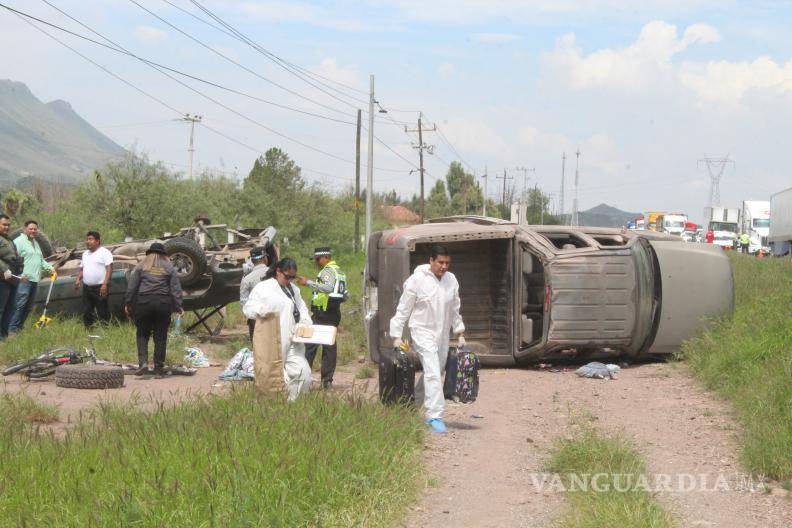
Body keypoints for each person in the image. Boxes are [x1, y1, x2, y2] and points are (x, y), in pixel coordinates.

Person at [389, 245, 465, 434]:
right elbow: (403, 308)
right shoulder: (417, 281)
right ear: (431, 261)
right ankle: (435, 416)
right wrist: (396, 336)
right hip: (421, 331)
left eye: (447, 263)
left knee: (435, 371)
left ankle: (411, 406)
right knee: (431, 371)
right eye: (440, 262)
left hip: (442, 334)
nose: (444, 266)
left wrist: (460, 331)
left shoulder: (451, 280)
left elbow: (455, 308)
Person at [243, 258, 313, 401]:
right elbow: (248, 308)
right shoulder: (264, 288)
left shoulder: (294, 289)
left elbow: (302, 309)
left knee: (303, 374)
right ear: (278, 271)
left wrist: (305, 322)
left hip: (294, 342)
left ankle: (294, 406)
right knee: (275, 378)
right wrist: (261, 310)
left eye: (292, 277)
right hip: (273, 341)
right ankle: (273, 407)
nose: (289, 280)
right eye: (287, 276)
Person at [124, 243, 184, 376]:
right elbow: (175, 289)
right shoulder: (169, 267)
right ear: (163, 254)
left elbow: (132, 287)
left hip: (144, 303)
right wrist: (178, 306)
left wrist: (128, 304)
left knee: (142, 334)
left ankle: (143, 364)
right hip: (163, 303)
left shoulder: (141, 266)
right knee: (160, 336)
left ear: (149, 253)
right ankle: (158, 368)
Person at [298, 247, 347, 389]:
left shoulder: (328, 271)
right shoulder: (339, 271)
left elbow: (328, 288)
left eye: (318, 259)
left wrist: (308, 282)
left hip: (323, 313)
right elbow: (345, 294)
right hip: (333, 312)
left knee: (310, 344)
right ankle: (327, 381)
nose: (317, 262)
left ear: (325, 257)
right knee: (329, 346)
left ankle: (303, 377)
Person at [9, 220, 54, 333]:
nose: (33, 231)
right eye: (30, 228)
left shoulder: (35, 243)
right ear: (25, 229)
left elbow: (40, 260)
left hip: (35, 279)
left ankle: (19, 327)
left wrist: (51, 269)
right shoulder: (18, 241)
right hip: (23, 279)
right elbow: (12, 259)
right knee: (19, 304)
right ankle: (11, 329)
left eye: (35, 229)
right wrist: (17, 275)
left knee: (28, 306)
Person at [75, 231, 113, 327]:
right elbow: (82, 269)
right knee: (87, 310)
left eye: (90, 239)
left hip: (100, 287)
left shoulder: (105, 252)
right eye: (87, 239)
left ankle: (105, 330)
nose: (88, 241)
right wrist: (78, 279)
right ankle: (89, 330)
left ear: (97, 241)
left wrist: (105, 284)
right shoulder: (85, 254)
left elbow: (109, 269)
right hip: (87, 288)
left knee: (102, 310)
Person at [240, 246, 271, 340]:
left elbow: (243, 303)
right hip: (275, 317)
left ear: (252, 261)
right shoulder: (275, 274)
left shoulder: (246, 279)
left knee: (257, 351)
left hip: (255, 320)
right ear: (265, 258)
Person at [0, 215, 22, 338]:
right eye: (4, 224)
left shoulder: (8, 239)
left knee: (11, 307)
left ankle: (4, 335)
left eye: (8, 225)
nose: (7, 227)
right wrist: (4, 269)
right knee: (1, 308)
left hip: (12, 277)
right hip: (2, 278)